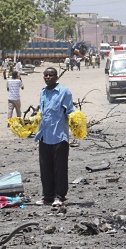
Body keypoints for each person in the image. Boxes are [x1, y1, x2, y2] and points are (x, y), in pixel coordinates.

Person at [34, 67, 74, 207]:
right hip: (44, 136)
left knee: (60, 168)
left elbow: (70, 111)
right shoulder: (43, 92)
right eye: (46, 75)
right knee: (45, 168)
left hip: (59, 136)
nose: (48, 77)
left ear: (56, 77)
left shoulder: (64, 92)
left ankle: (59, 196)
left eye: (51, 75)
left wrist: (76, 124)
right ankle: (48, 196)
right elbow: (43, 112)